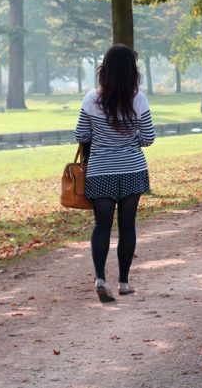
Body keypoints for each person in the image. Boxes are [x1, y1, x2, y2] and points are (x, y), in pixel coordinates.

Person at [74, 44, 155, 303]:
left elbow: (80, 135)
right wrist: (131, 139)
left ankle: (100, 279)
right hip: (132, 170)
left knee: (102, 225)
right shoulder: (138, 99)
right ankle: (124, 282)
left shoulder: (91, 99)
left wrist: (101, 138)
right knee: (127, 225)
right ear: (132, 71)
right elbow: (149, 138)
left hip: (100, 171)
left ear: (104, 70)